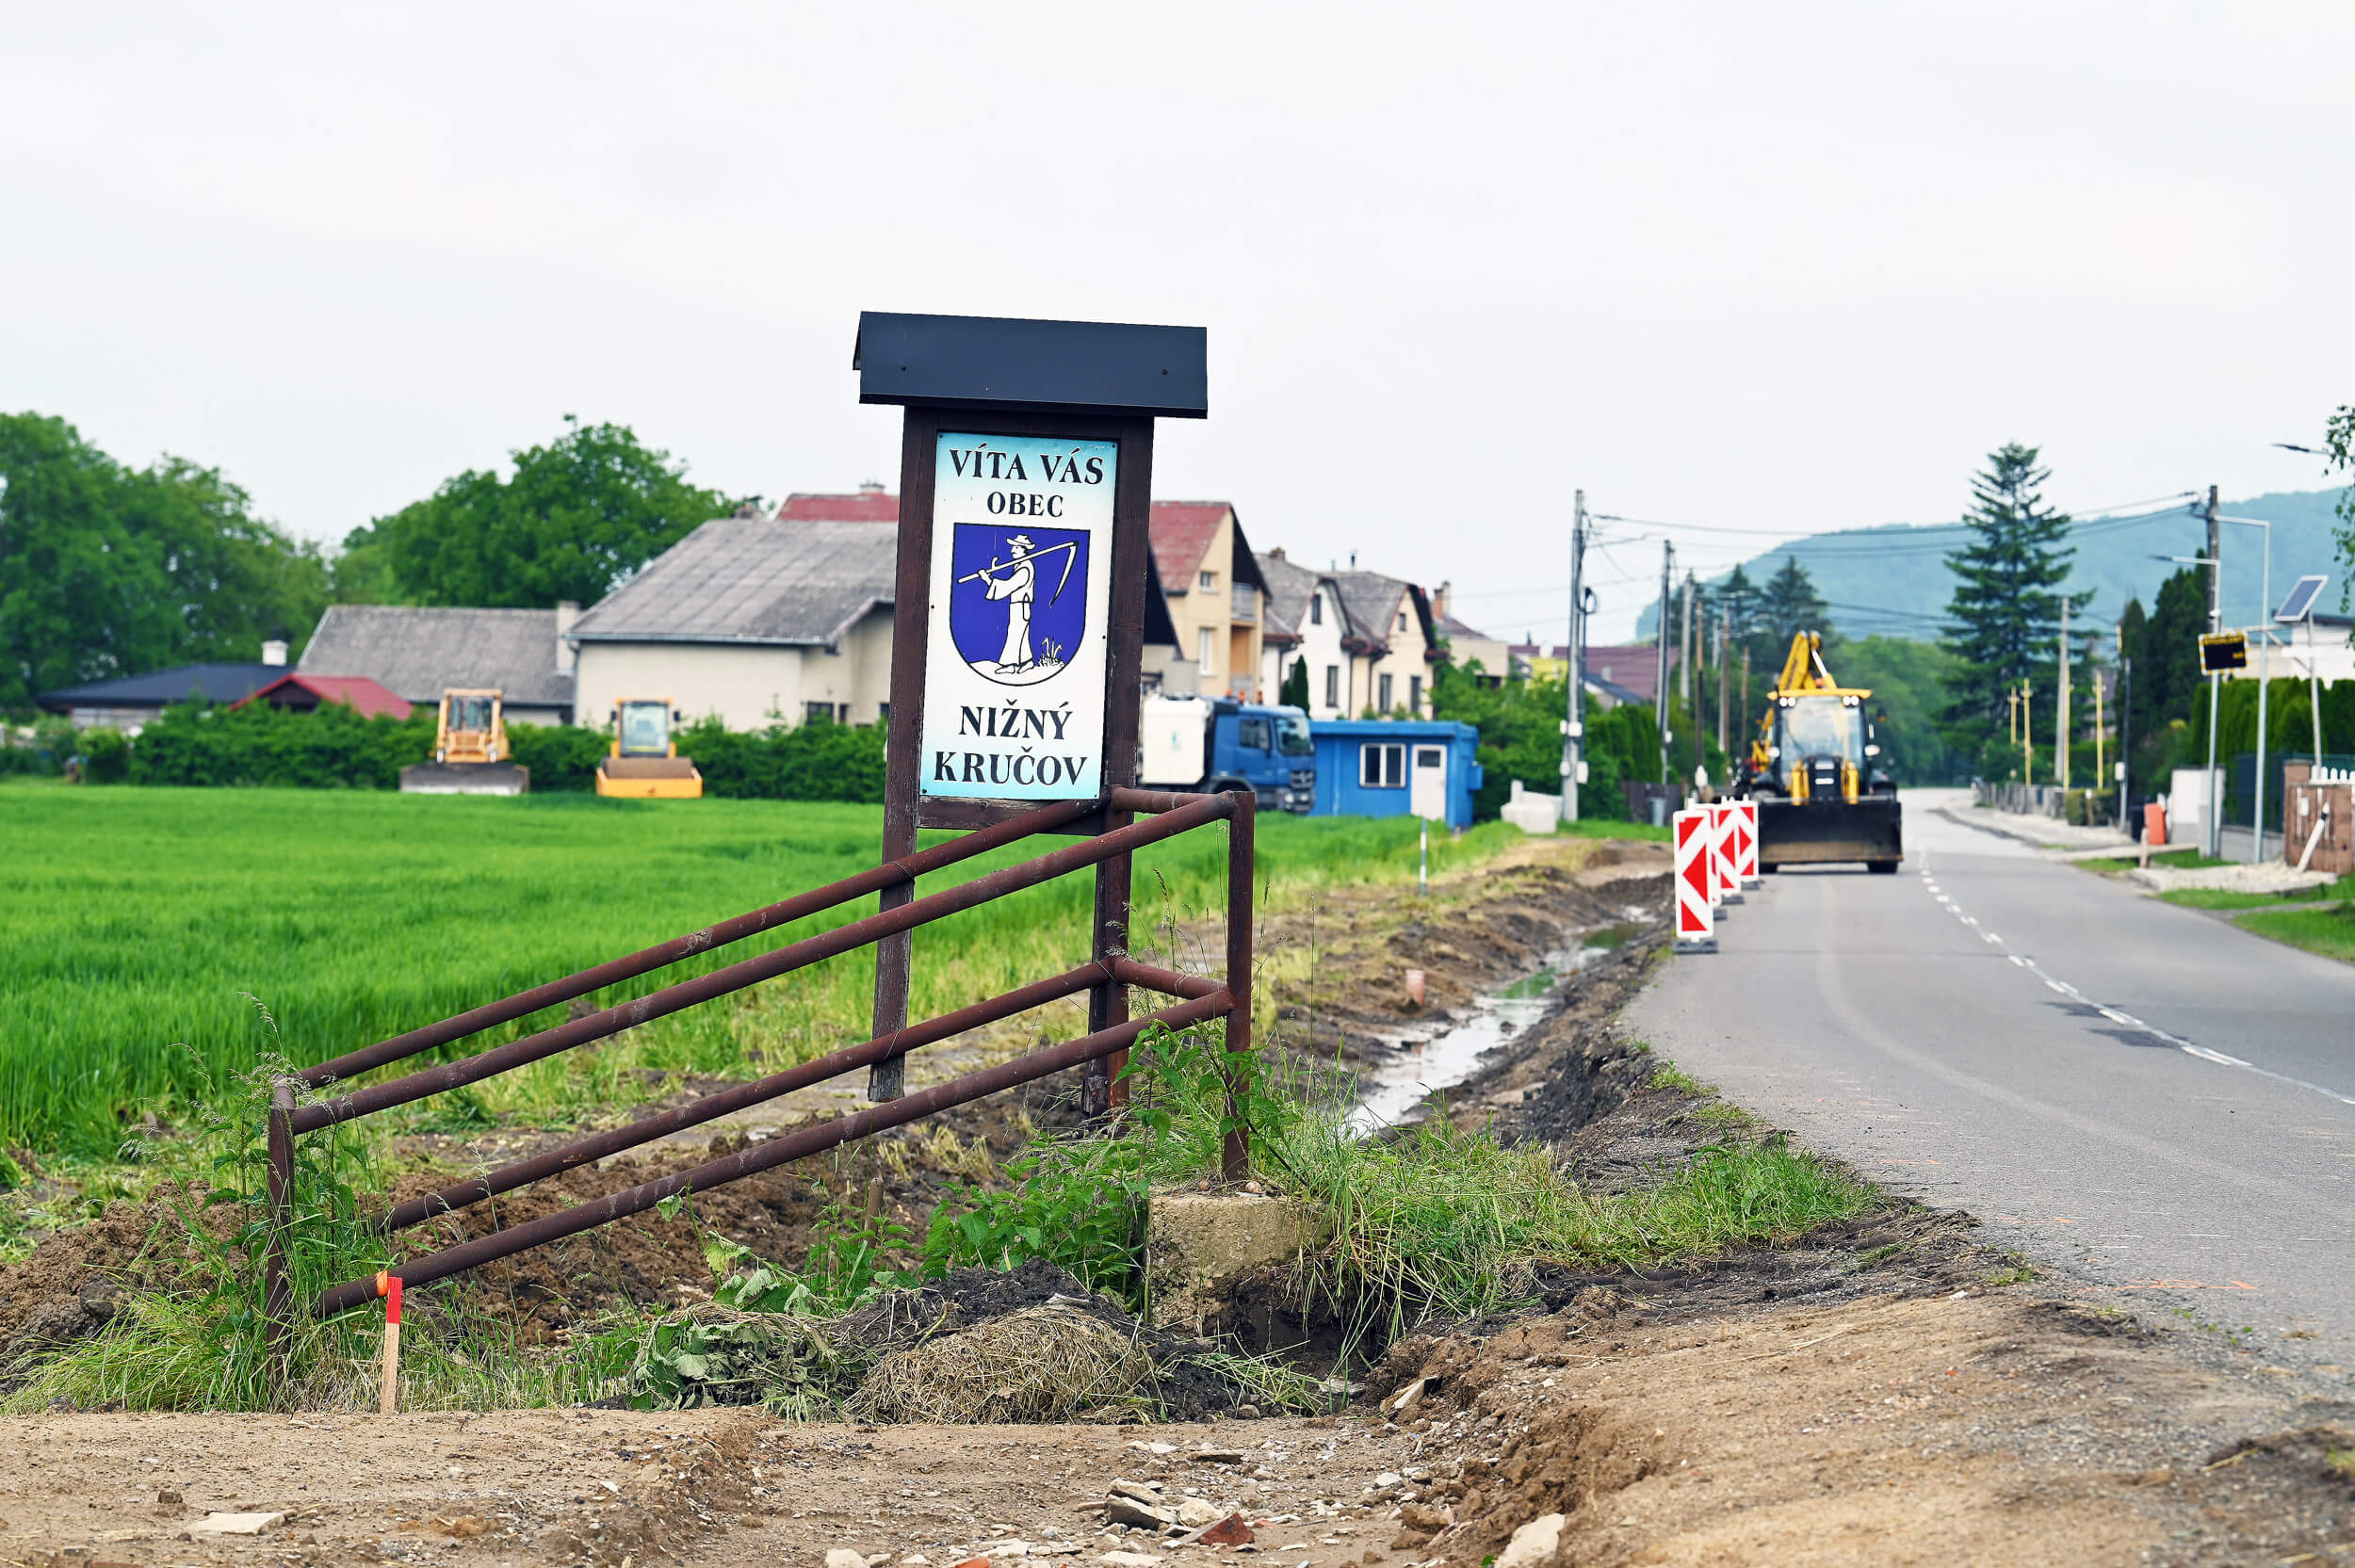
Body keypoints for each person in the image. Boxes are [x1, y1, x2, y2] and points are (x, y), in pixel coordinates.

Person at [978, 534, 1036, 673]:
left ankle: (1011, 665)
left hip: (1020, 605)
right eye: (1013, 547)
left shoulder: (1025, 568)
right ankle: (1027, 662)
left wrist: (988, 580)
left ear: (1023, 549)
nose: (1012, 550)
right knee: (1021, 633)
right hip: (1018, 605)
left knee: (1015, 632)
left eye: (1016, 547)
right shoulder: (1021, 565)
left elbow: (1009, 586)